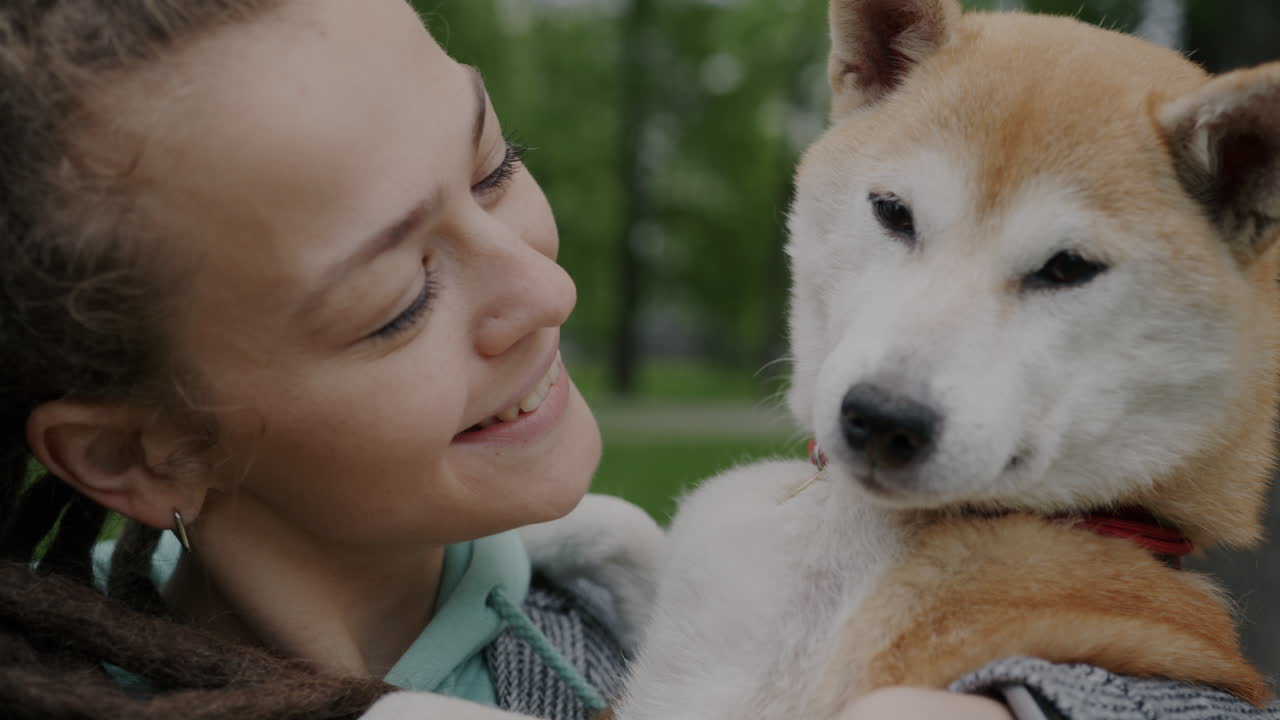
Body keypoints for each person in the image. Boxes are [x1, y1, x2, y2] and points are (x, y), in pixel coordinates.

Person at [0, 1, 1274, 719]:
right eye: (394, 301)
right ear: (134, 449)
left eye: (496, 167)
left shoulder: (619, 598)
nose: (543, 286)